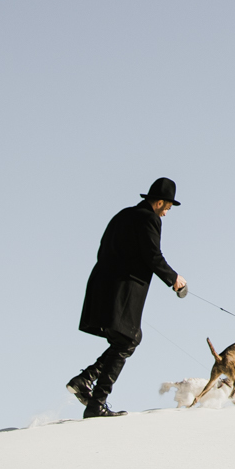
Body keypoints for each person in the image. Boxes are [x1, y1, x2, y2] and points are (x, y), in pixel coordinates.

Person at [67, 177, 187, 417]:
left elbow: (104, 247)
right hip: (123, 287)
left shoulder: (123, 214)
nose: (166, 214)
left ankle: (86, 380)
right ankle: (95, 403)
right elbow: (152, 255)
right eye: (168, 208)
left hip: (102, 283)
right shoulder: (149, 218)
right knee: (128, 339)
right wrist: (174, 278)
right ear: (160, 202)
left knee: (126, 339)